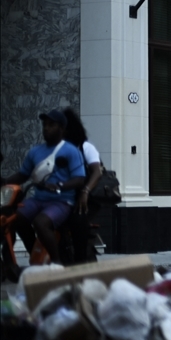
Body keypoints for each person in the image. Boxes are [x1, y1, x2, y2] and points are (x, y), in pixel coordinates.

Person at [5, 110, 86, 265]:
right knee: (15, 219)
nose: (46, 128)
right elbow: (23, 175)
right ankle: (36, 256)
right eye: (44, 125)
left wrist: (59, 185)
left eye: (51, 125)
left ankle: (56, 262)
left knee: (40, 223)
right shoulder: (35, 151)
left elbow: (79, 179)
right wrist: (5, 181)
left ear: (62, 128)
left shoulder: (71, 151)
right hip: (37, 199)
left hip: (61, 201)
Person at [63, 109, 103, 263]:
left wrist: (85, 191)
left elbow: (96, 172)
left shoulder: (85, 147)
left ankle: (80, 261)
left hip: (85, 197)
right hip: (63, 196)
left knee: (78, 220)